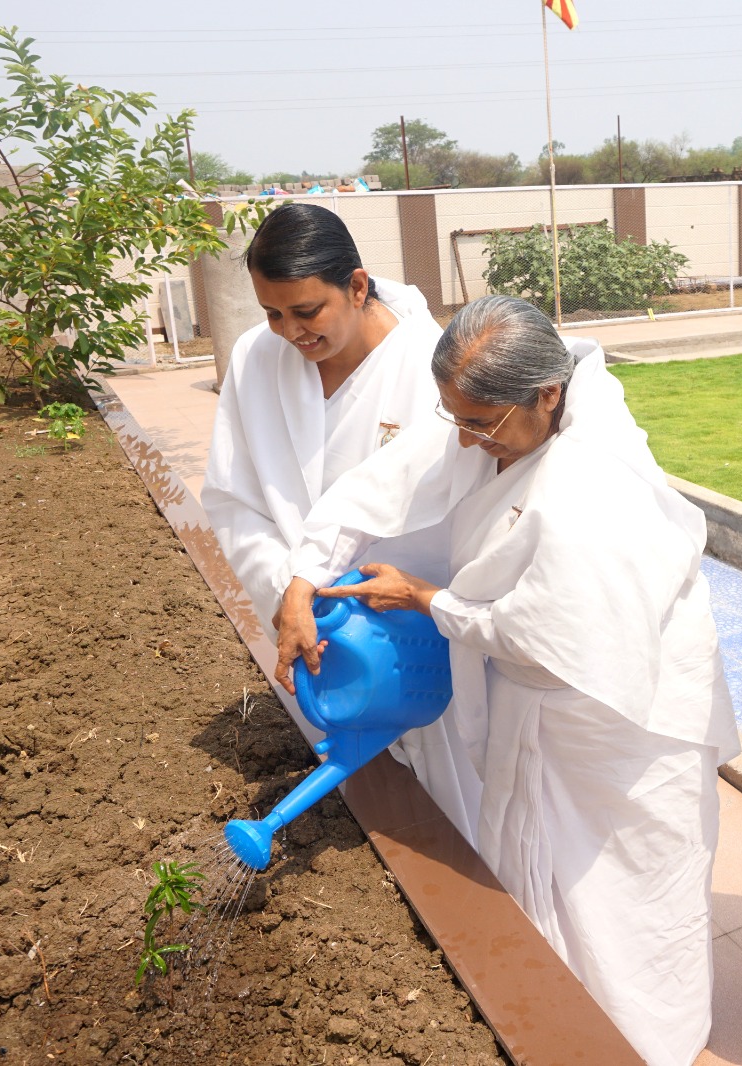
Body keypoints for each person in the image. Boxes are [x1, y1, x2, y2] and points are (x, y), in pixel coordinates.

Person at [271, 295, 742, 1066]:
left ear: (547, 395)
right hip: (549, 701)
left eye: (479, 423)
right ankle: (559, 1030)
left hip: (618, 720)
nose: (462, 438)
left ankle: (648, 1044)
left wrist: (424, 598)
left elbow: (544, 639)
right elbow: (385, 481)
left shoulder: (593, 484)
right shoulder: (492, 411)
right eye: (453, 416)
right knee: (549, 890)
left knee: (628, 904)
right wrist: (302, 578)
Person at [202, 202, 479, 841]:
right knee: (356, 803)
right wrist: (292, 592)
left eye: (307, 311)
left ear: (357, 286)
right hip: (312, 633)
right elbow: (233, 497)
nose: (290, 332)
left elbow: (452, 513)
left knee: (446, 809)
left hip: (407, 634)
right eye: (272, 313)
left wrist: (369, 599)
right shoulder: (255, 359)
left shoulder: (430, 368)